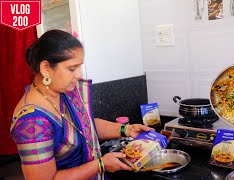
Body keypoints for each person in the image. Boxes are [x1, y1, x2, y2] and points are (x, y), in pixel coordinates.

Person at [10, 29, 153, 180]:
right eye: (72, 68)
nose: (78, 74)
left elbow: (85, 127)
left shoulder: (63, 91)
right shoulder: (32, 121)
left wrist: (126, 129)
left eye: (79, 67)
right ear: (46, 68)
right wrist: (100, 165)